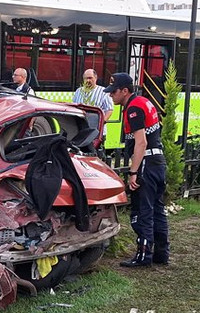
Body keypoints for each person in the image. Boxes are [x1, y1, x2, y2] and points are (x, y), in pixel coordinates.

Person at [104, 73, 168, 267]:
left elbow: (141, 142)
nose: (110, 96)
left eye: (113, 92)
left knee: (143, 210)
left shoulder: (133, 108)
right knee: (158, 209)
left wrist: (133, 172)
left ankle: (144, 256)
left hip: (146, 162)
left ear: (125, 91)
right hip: (158, 161)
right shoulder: (144, 102)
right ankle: (161, 254)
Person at [72, 68, 114, 142]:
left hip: (97, 133)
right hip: (81, 131)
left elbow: (109, 110)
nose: (88, 81)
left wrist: (101, 123)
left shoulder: (103, 92)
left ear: (96, 78)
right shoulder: (79, 91)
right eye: (85, 79)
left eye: (90, 78)